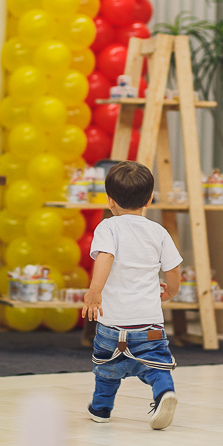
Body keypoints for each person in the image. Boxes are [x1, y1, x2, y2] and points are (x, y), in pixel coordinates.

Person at [82, 161, 183, 430]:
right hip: (148, 323)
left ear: (110, 200)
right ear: (149, 199)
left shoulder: (108, 227)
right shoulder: (158, 232)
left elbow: (106, 256)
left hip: (112, 322)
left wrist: (95, 291)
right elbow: (173, 269)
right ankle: (164, 391)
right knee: (156, 363)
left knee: (107, 367)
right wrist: (172, 291)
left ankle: (101, 408)